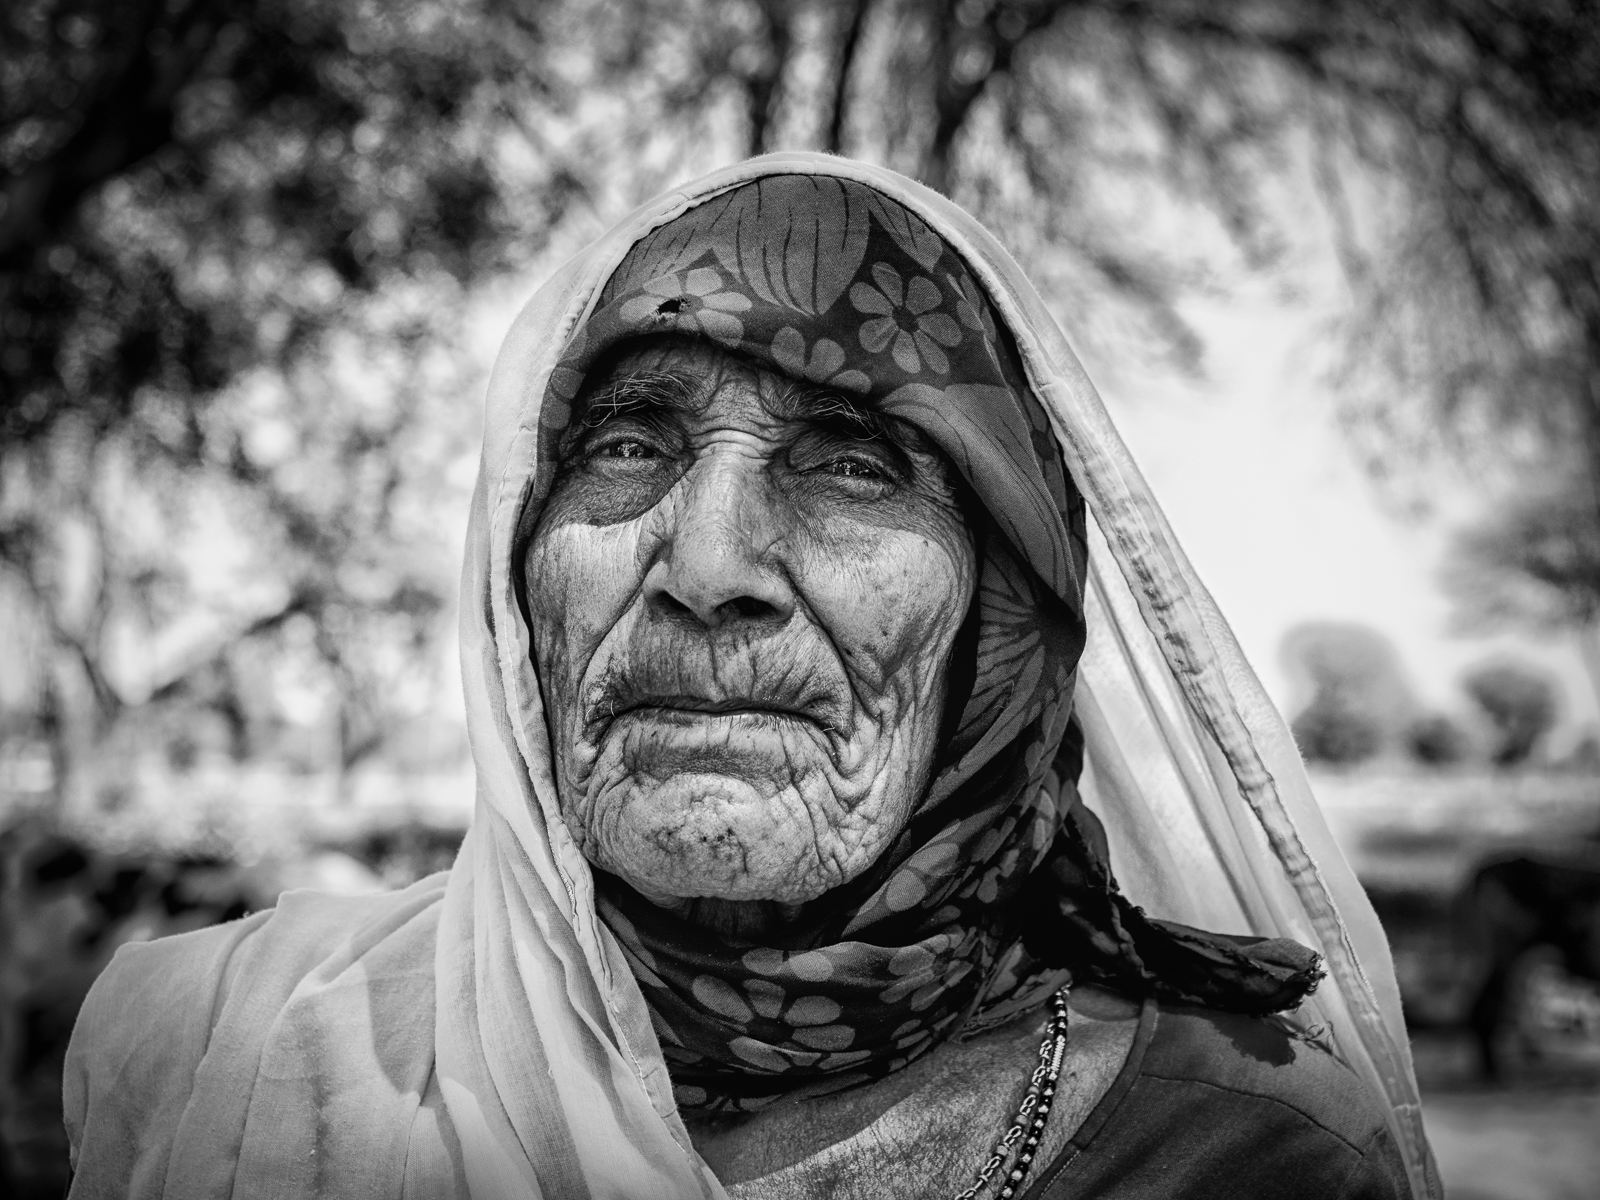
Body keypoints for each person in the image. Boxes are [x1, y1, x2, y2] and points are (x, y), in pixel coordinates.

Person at [63, 155, 1439, 1199]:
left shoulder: (1240, 1152)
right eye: (626, 448)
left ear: (1002, 622)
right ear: (518, 579)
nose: (709, 564)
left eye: (852, 464)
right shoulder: (226, 1056)